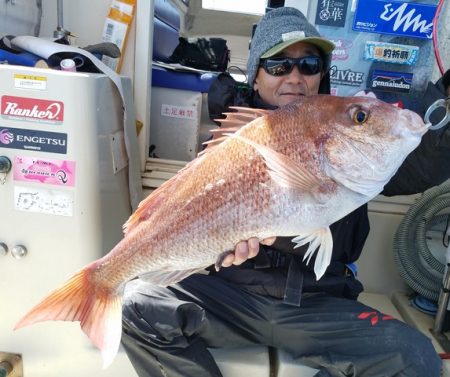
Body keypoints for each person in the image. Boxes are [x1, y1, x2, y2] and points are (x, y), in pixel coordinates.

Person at [121, 7, 448, 376]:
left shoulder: (353, 135)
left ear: (320, 76)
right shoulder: (230, 144)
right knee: (135, 305)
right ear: (256, 78)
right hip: (232, 298)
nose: (294, 76)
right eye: (278, 65)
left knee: (416, 359)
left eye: (308, 64)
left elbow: (426, 165)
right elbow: (196, 218)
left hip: (319, 304)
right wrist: (219, 245)